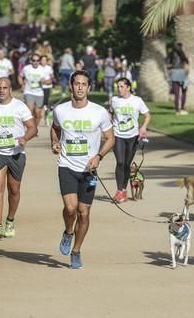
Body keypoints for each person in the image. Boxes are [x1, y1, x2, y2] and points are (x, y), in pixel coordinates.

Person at [51, 71, 114, 269]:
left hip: (89, 170)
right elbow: (55, 128)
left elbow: (110, 138)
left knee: (84, 212)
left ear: (89, 87)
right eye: (76, 83)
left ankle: (76, 251)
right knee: (71, 209)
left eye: (84, 84)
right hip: (67, 165)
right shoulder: (60, 110)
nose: (80, 87)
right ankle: (68, 232)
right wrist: (54, 142)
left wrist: (99, 156)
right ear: (71, 86)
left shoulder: (99, 112)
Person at [0, 78, 38, 239]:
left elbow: (33, 127)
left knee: (14, 190)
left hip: (16, 153)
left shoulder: (19, 106)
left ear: (10, 89)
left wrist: (25, 138)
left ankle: (10, 220)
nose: (1, 91)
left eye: (5, 88)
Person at [109, 78, 151, 203]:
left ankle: (124, 190)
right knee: (120, 162)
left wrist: (143, 127)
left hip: (132, 137)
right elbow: (110, 114)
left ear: (128, 87)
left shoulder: (137, 101)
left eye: (122, 86)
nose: (119, 89)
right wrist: (107, 129)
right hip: (118, 135)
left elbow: (148, 115)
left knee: (127, 164)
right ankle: (119, 191)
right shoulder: (114, 100)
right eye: (118, 86)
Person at [19, 53, 51, 126]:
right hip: (28, 92)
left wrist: (44, 81)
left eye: (37, 60)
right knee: (30, 110)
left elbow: (49, 81)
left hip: (39, 93)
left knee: (38, 113)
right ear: (31, 61)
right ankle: (28, 127)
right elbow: (20, 76)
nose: (35, 62)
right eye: (33, 60)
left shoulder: (42, 70)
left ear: (39, 61)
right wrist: (22, 84)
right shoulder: (26, 68)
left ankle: (34, 128)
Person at [168, 43, 189, 115]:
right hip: (182, 72)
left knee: (176, 93)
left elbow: (168, 64)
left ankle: (177, 110)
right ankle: (182, 108)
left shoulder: (171, 54)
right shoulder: (182, 54)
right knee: (184, 92)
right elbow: (187, 62)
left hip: (174, 73)